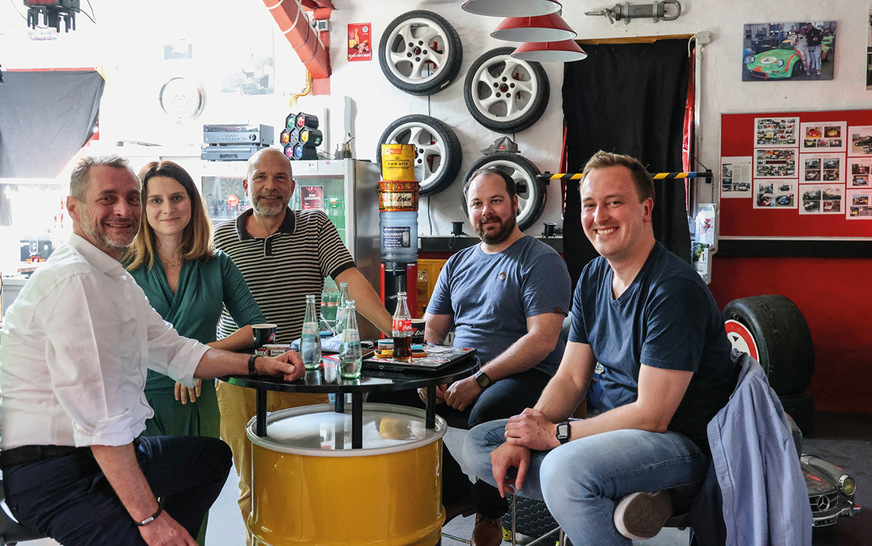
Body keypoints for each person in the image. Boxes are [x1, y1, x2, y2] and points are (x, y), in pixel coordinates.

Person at [0, 155, 303, 546]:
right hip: (54, 472)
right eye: (107, 198)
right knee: (154, 530)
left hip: (100, 453)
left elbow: (176, 351)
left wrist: (258, 363)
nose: (124, 209)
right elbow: (101, 422)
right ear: (73, 208)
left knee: (210, 458)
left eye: (131, 197)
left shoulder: (115, 280)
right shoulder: (75, 279)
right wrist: (150, 519)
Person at [463, 151, 736, 546]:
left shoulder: (673, 290)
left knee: (563, 471)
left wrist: (555, 434)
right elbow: (571, 376)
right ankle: (607, 495)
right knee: (482, 444)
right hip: (610, 435)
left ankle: (610, 491)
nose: (599, 216)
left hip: (680, 447)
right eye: (590, 205)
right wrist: (529, 431)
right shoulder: (593, 276)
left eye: (614, 202)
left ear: (646, 209)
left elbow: (653, 415)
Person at [373, 165, 571, 546]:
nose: (486, 211)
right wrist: (430, 375)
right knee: (385, 396)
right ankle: (454, 493)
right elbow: (432, 330)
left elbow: (542, 341)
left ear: (515, 204)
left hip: (529, 378)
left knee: (487, 412)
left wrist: (480, 380)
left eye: (496, 201)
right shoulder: (458, 264)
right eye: (477, 203)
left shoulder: (540, 260)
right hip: (461, 374)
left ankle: (488, 514)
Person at [212, 147, 393, 541]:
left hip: (300, 372)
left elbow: (349, 281)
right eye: (261, 177)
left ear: (293, 186)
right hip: (238, 377)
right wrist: (194, 358)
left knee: (307, 471)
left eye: (280, 178)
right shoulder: (222, 235)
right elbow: (203, 302)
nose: (270, 187)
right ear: (246, 185)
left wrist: (393, 331)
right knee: (252, 479)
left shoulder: (315, 225)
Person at [124, 161, 266, 544]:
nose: (167, 208)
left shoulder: (216, 264)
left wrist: (194, 359)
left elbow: (258, 329)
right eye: (155, 200)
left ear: (192, 203)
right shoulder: (122, 268)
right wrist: (181, 363)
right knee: (136, 516)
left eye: (176, 197)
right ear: (142, 207)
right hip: (134, 402)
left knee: (190, 517)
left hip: (197, 399)